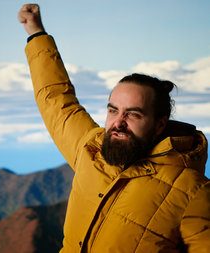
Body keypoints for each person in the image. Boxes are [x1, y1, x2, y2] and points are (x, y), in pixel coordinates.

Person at [18, 4, 209, 253]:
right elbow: (56, 100)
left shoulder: (193, 192)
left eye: (133, 114)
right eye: (113, 110)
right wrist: (36, 34)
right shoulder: (91, 148)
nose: (118, 123)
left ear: (159, 124)